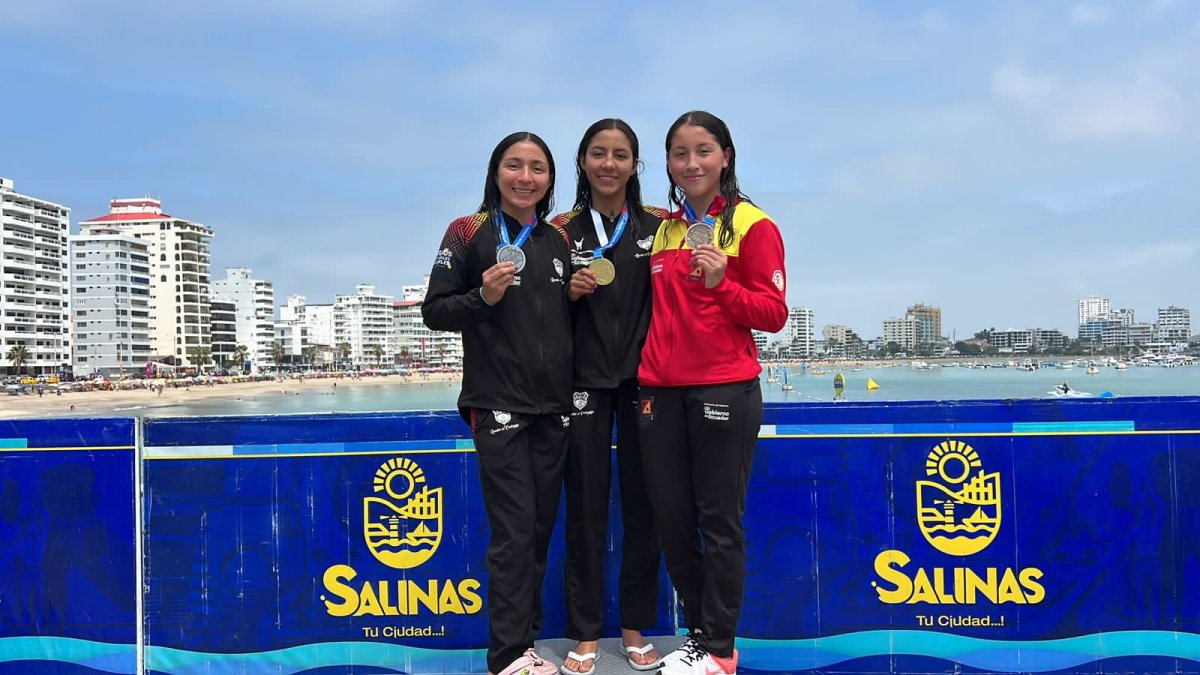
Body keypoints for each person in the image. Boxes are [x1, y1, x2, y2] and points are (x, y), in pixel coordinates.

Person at [637, 111, 788, 675]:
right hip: (658, 391)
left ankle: (720, 649)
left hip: (724, 386)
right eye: (679, 153)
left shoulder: (753, 225)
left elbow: (773, 314)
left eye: (703, 150)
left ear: (725, 155)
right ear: (669, 165)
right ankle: (702, 635)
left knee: (719, 522)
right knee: (673, 520)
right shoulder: (664, 228)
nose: (691, 163)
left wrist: (723, 282)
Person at [422, 131, 572, 675]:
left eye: (537, 168)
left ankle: (524, 644)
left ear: (550, 179)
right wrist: (483, 296)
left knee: (536, 530)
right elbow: (435, 310)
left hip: (553, 408)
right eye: (514, 165)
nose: (525, 177)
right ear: (496, 171)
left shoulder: (558, 240)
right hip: (497, 404)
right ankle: (507, 655)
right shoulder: (468, 232)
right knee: (513, 531)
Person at [554, 119, 663, 675]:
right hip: (583, 383)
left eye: (621, 155)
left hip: (646, 382)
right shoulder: (559, 231)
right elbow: (537, 317)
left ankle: (635, 626)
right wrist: (566, 296)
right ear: (582, 162)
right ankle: (586, 631)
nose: (609, 164)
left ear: (635, 166)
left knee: (644, 507)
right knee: (587, 510)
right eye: (599, 153)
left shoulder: (659, 227)